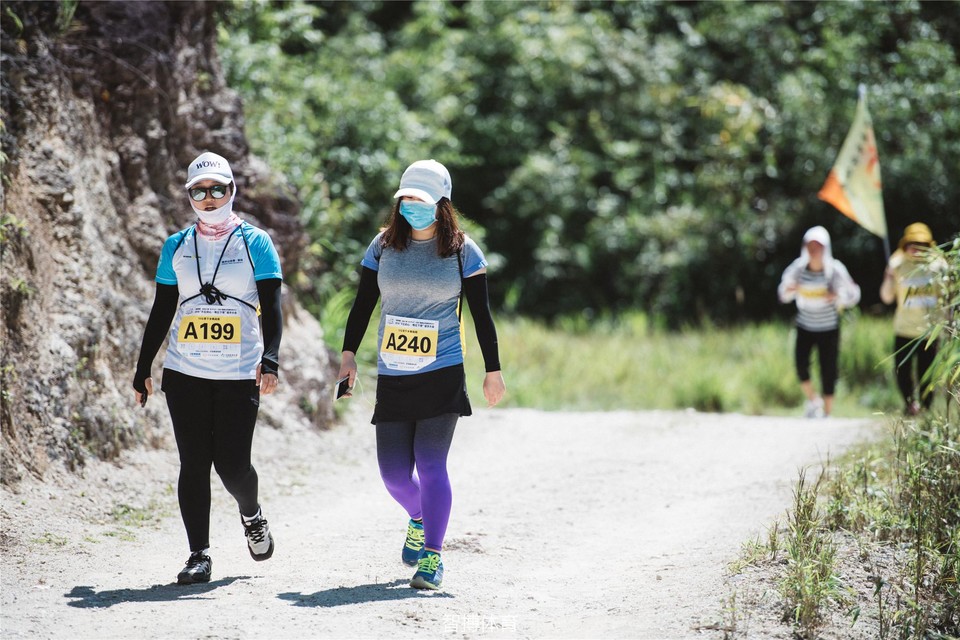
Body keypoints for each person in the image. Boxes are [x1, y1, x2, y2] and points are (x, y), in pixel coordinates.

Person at [338, 159, 506, 590]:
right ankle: (418, 515)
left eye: (422, 200)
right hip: (394, 372)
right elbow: (362, 304)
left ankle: (432, 557)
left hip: (442, 368)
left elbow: (482, 316)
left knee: (431, 464)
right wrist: (348, 355)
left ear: (441, 204)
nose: (413, 206)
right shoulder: (382, 246)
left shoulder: (463, 251)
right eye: (407, 198)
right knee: (393, 472)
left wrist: (492, 370)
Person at [132, 151, 283, 584]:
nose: (210, 198)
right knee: (193, 463)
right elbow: (162, 310)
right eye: (200, 191)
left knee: (233, 465)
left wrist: (270, 359)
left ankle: (251, 515)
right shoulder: (176, 246)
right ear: (189, 196)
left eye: (219, 189)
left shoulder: (256, 242)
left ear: (232, 191)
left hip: (238, 374)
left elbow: (272, 307)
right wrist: (143, 367)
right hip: (185, 372)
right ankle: (199, 554)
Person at [778, 225, 861, 418]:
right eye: (810, 245)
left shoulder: (835, 270)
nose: (813, 250)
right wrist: (791, 289)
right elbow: (782, 293)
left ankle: (828, 412)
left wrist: (837, 296)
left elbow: (854, 294)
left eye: (818, 246)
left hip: (829, 327)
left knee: (828, 369)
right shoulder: (798, 268)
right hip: (805, 325)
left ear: (826, 247)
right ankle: (814, 400)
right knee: (800, 365)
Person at [880, 222, 945, 415]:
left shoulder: (937, 266)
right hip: (904, 329)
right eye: (912, 243)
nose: (916, 248)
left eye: (921, 244)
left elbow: (946, 297)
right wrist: (888, 277)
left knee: (927, 372)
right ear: (905, 245)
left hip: (929, 331)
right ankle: (909, 405)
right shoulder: (897, 265)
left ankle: (926, 408)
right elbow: (886, 297)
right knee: (902, 371)